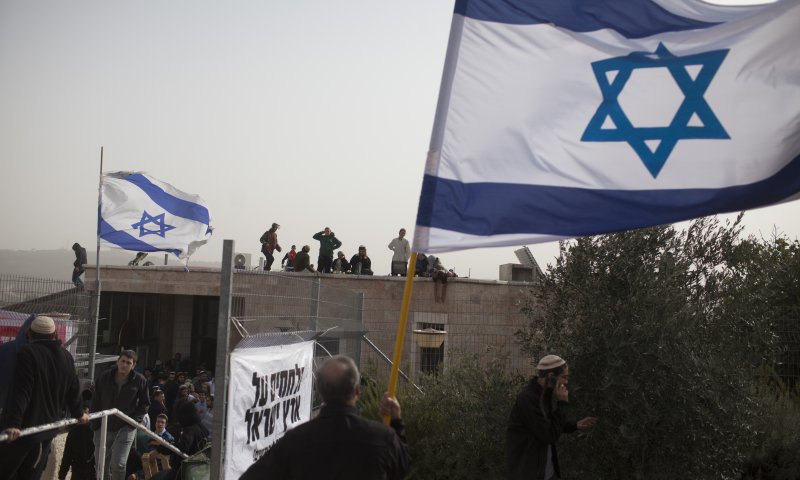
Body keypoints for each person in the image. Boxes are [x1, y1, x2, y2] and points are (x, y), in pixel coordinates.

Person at [240, 355, 409, 480]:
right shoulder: (383, 438)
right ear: (357, 391)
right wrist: (396, 422)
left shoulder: (295, 441)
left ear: (319, 392)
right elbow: (401, 469)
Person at [0, 315, 88, 480]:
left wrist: (13, 423)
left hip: (23, 432)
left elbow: (22, 391)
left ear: (29, 335)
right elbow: (73, 390)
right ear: (55, 335)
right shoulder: (66, 357)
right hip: (45, 432)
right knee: (31, 475)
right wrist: (79, 414)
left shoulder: (27, 353)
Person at [506, 355, 597, 480]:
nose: (566, 382)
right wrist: (562, 404)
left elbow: (546, 424)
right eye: (564, 377)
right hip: (530, 474)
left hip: (547, 473)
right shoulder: (527, 399)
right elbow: (549, 435)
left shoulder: (544, 395)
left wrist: (574, 425)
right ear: (550, 377)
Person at [92, 350, 150, 480]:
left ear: (133, 365)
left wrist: (135, 421)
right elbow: (96, 399)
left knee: (118, 463)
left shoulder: (140, 380)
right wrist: (95, 423)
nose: (124, 365)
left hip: (126, 425)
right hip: (103, 424)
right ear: (117, 361)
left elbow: (145, 403)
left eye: (128, 363)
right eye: (122, 361)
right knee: (101, 465)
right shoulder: (104, 376)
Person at [58, 396, 97, 480]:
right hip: (78, 470)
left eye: (86, 409)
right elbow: (67, 455)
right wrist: (62, 475)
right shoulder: (74, 431)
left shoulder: (97, 430)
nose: (85, 412)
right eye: (83, 409)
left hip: (94, 471)